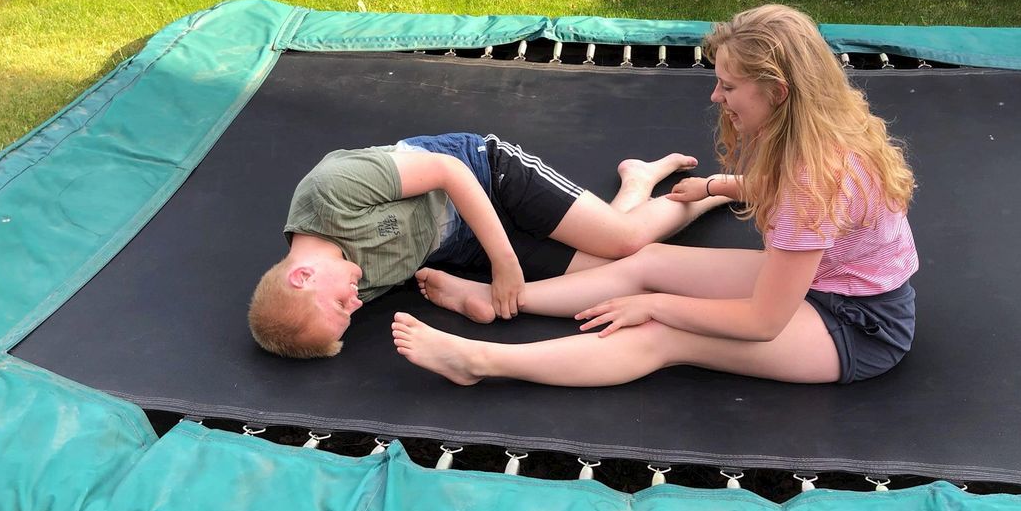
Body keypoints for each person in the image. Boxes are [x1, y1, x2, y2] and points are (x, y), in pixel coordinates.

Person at [392, 4, 919, 386]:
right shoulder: (824, 129)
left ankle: (478, 362)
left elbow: (763, 322)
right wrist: (718, 185)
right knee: (650, 257)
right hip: (824, 280)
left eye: (729, 87)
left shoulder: (813, 179)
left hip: (857, 326)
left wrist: (655, 307)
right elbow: (810, 203)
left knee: (663, 334)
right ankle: (505, 298)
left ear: (777, 92)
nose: (717, 96)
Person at [249, 132, 730, 358]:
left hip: (486, 176)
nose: (357, 301)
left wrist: (505, 263)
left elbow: (448, 172)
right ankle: (638, 181)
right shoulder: (342, 286)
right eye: (352, 311)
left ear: (302, 275)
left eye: (341, 302)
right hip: (460, 241)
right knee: (604, 274)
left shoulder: (330, 190)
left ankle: (713, 191)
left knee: (626, 240)